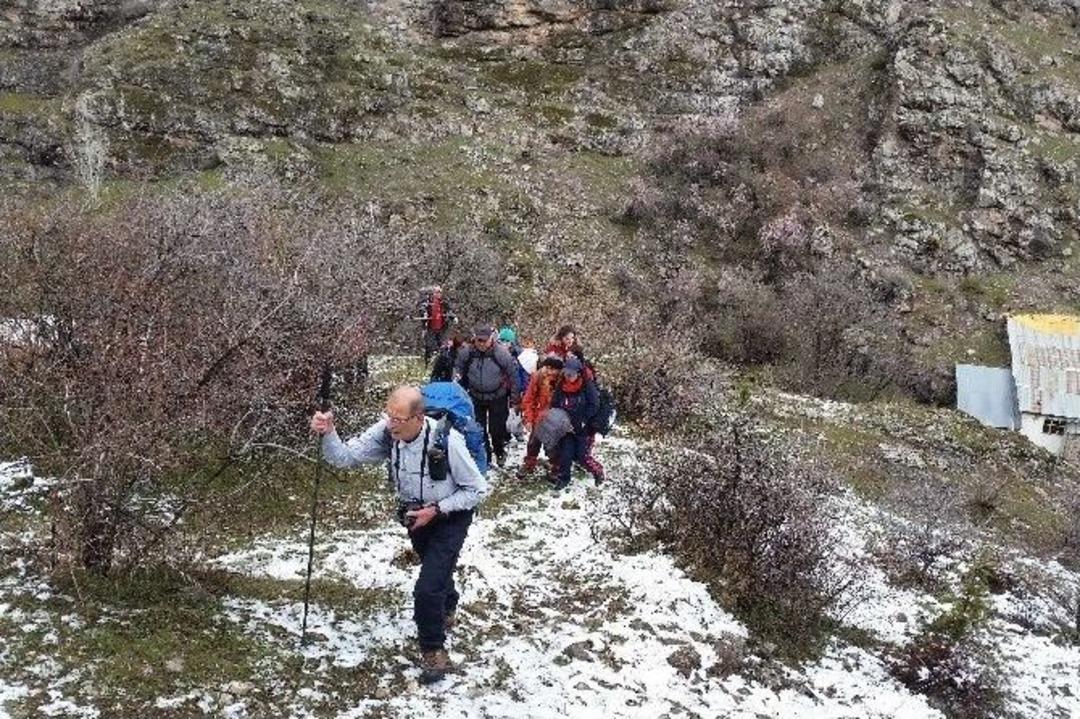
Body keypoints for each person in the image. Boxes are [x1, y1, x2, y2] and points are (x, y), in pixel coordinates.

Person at [310, 386, 487, 685]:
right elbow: (345, 457)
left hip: (451, 515)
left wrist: (437, 509)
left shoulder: (448, 440)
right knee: (436, 568)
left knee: (426, 588)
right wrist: (328, 432)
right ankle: (449, 602)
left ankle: (433, 652)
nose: (391, 423)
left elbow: (478, 490)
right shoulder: (386, 433)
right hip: (414, 516)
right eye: (388, 416)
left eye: (398, 419)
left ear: (418, 418)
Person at [455, 325, 521, 468]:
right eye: (479, 340)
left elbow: (513, 376)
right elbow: (459, 368)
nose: (482, 344)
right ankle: (486, 457)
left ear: (491, 339)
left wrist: (515, 399)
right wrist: (457, 379)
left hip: (498, 397)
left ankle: (499, 452)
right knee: (479, 429)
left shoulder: (501, 354)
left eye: (485, 340)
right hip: (476, 396)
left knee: (496, 430)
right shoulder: (467, 353)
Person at [550, 356, 602, 491]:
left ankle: (598, 471)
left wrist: (583, 420)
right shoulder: (561, 386)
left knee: (582, 456)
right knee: (565, 455)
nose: (568, 377)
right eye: (566, 373)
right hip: (566, 427)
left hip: (583, 428)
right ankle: (563, 478)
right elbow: (555, 404)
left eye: (571, 374)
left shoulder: (587, 386)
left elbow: (594, 405)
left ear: (578, 373)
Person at [517, 353, 562, 480]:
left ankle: (556, 467)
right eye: (547, 367)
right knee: (533, 443)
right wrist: (529, 419)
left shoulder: (563, 380)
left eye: (553, 369)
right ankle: (529, 464)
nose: (549, 371)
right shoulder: (537, 376)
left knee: (553, 446)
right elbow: (528, 399)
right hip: (539, 415)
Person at [418, 286, 455, 365]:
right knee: (430, 347)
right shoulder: (428, 301)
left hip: (441, 329)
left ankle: (440, 365)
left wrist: (452, 316)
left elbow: (450, 310)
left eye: (440, 292)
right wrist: (424, 314)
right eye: (437, 292)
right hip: (430, 329)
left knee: (442, 348)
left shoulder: (443, 302)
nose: (439, 294)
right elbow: (422, 308)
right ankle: (428, 365)